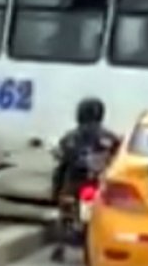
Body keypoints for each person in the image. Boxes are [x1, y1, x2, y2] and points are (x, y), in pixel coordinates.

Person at [50, 96, 121, 263]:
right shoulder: (110, 138)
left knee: (63, 205)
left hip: (75, 182)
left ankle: (59, 246)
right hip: (99, 183)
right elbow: (117, 159)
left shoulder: (70, 137)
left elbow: (62, 157)